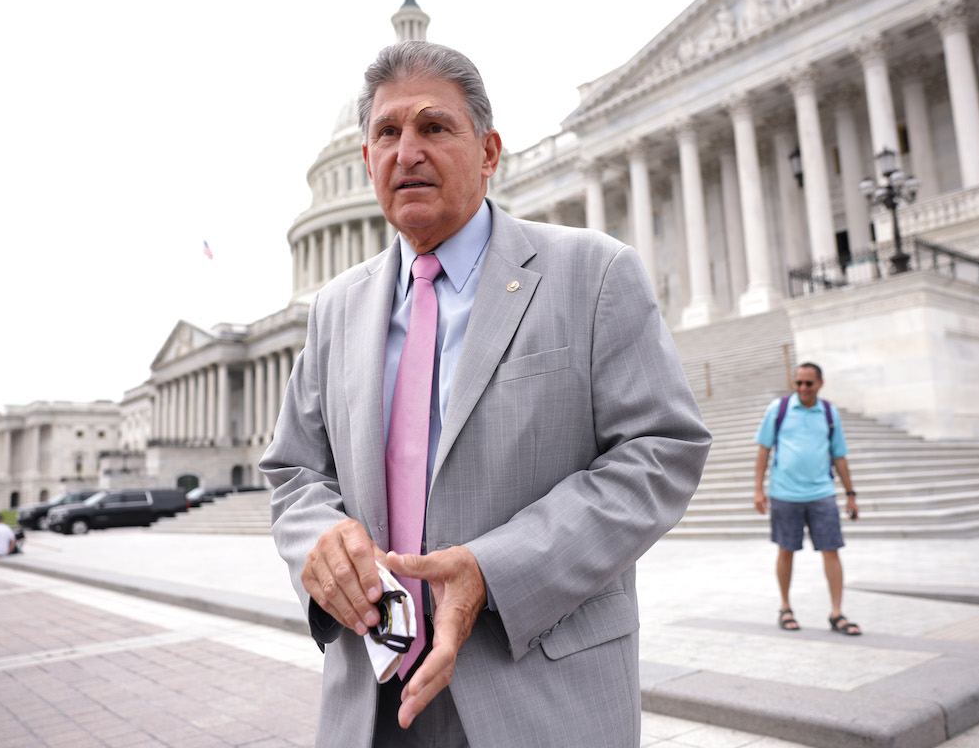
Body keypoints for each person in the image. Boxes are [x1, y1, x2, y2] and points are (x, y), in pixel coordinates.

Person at [262, 41, 711, 748]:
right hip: (370, 706)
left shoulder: (592, 274)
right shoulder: (335, 310)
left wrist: (494, 573)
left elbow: (663, 453)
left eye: (434, 127)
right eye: (387, 133)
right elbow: (293, 473)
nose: (407, 151)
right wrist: (320, 539)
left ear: (490, 151)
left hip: (538, 692)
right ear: (365, 160)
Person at [753, 362, 861, 636]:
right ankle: (785, 607)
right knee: (786, 550)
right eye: (798, 382)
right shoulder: (778, 409)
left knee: (832, 550)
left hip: (821, 493)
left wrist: (851, 494)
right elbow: (764, 449)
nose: (802, 388)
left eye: (808, 383)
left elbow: (839, 455)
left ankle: (837, 613)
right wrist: (758, 489)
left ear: (820, 384)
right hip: (784, 493)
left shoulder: (828, 412)